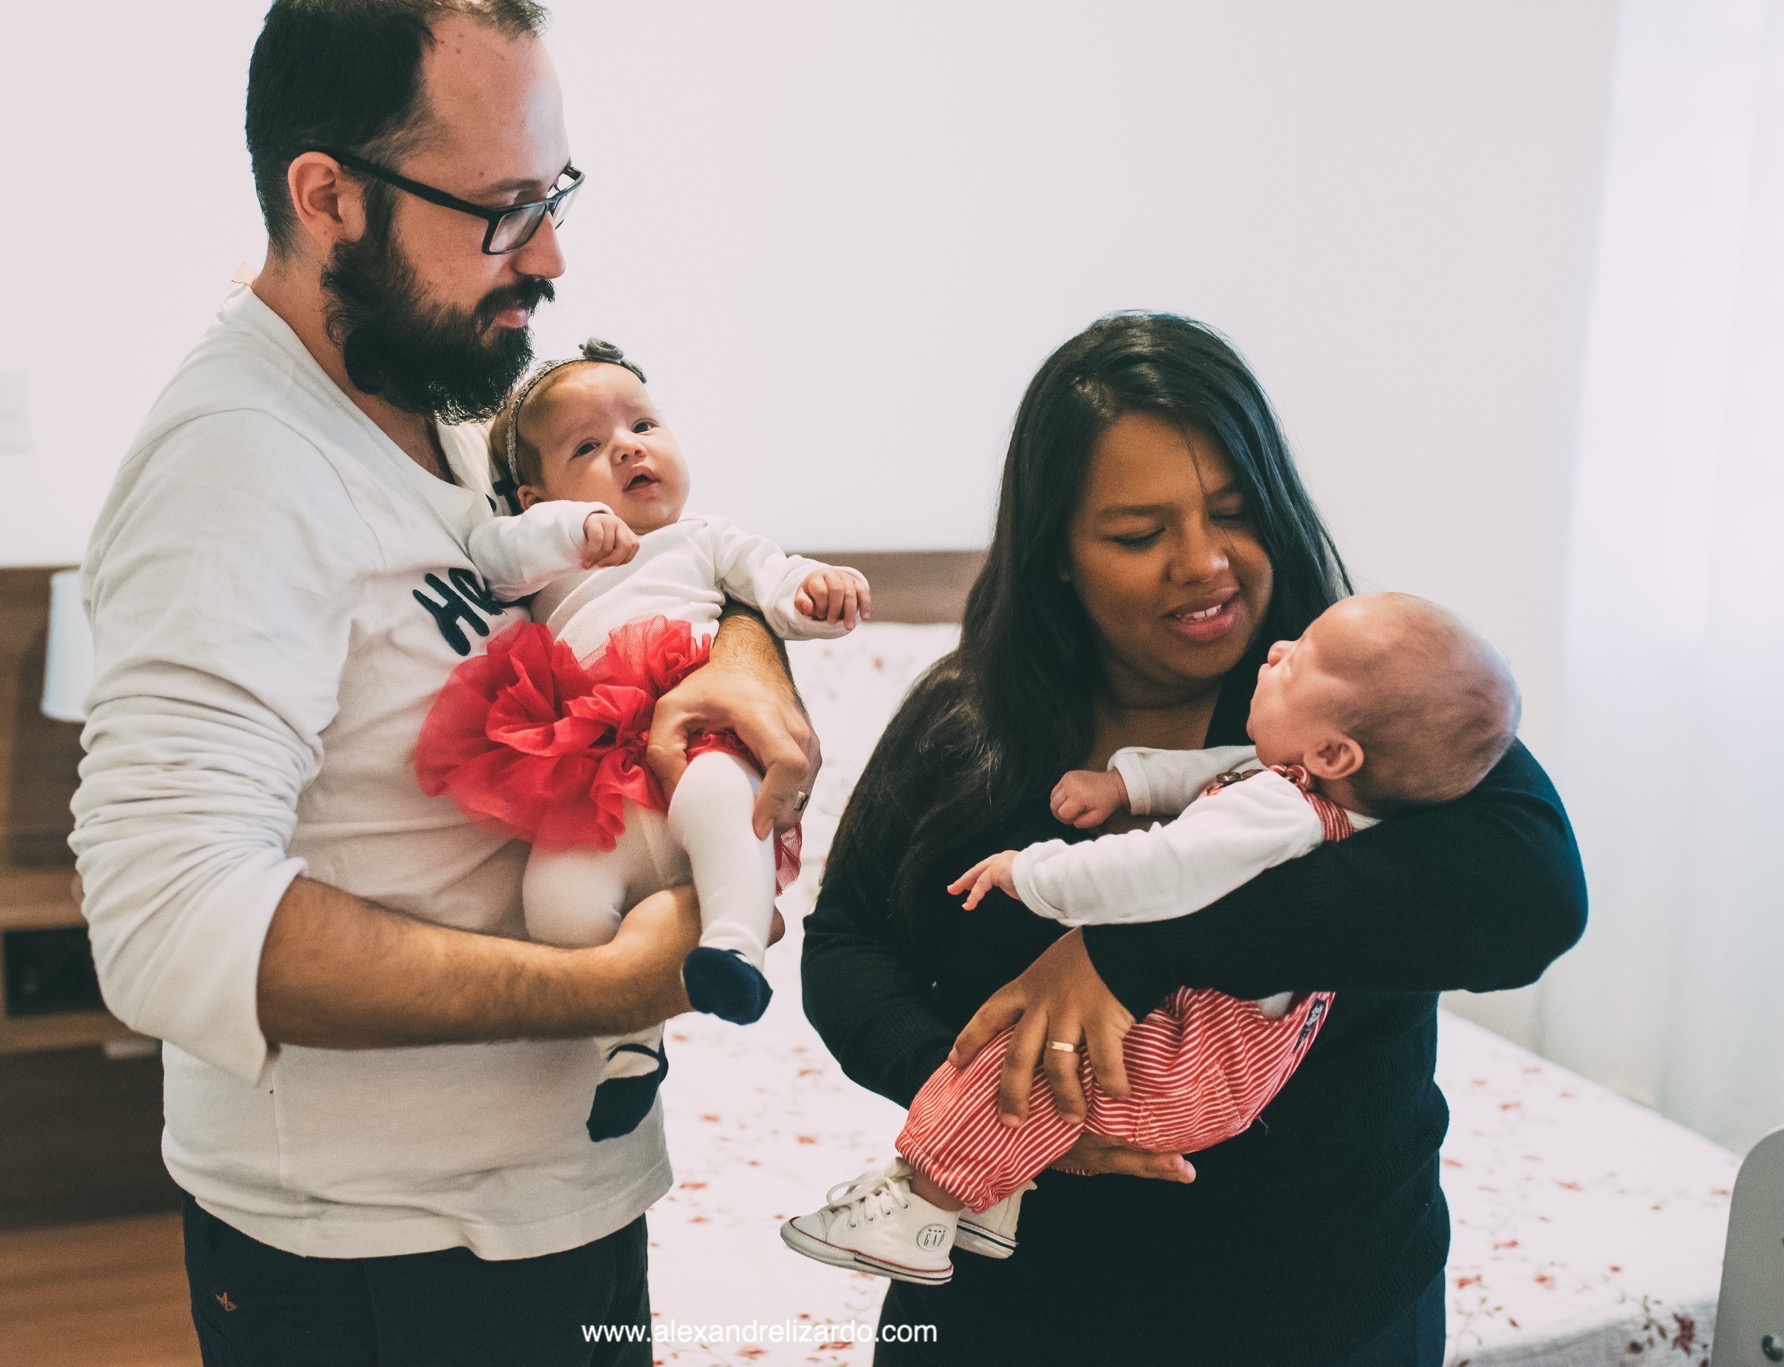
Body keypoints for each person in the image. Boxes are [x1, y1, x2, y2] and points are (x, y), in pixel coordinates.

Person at [69, 4, 816, 1363]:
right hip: (383, 1257)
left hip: (552, 1202)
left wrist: (747, 661)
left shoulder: (455, 398)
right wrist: (597, 986)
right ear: (326, 195)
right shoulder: (232, 472)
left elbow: (662, 563)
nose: (551, 256)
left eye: (557, 195)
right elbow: (164, 920)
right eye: (501, 211)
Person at [801, 313, 1587, 1365]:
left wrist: (1127, 946)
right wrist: (989, 1099)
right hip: (1014, 1309)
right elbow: (843, 943)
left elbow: (1534, 902)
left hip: (1321, 1306)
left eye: (1232, 510)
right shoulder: (967, 721)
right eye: (1136, 534)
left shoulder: (1370, 720)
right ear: (1057, 557)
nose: (1203, 562)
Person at [783, 592, 1520, 1286]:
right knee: (1035, 1061)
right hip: (1231, 1065)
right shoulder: (1313, 793)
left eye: (1300, 658)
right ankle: (989, 1193)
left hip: (1194, 1070)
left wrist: (1034, 871)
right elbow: (1220, 771)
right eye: (1137, 531)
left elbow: (1157, 869)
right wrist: (1127, 785)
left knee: (1027, 1054)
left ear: (1334, 755)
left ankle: (922, 1206)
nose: (1278, 649)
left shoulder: (1281, 816)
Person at [416, 339, 870, 1137]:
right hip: (595, 769)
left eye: (644, 423)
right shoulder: (548, 559)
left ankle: (733, 950)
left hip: (697, 734)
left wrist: (816, 591)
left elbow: (774, 584)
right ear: (534, 494)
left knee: (726, 802)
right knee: (557, 894)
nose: (627, 445)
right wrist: (565, 530)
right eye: (586, 446)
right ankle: (627, 1041)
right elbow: (490, 556)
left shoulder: (703, 537)